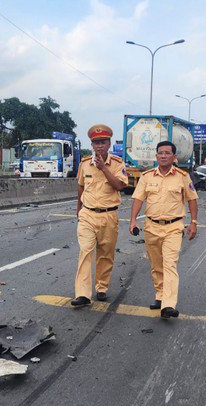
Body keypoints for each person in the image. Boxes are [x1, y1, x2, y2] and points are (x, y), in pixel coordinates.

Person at [129, 141, 198, 319]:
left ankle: (168, 304)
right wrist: (133, 221)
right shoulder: (147, 176)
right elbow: (138, 199)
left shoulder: (183, 176)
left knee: (170, 264)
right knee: (156, 265)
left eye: (167, 153)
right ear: (156, 156)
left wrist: (193, 222)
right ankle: (160, 296)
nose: (164, 156)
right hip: (151, 226)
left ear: (174, 157)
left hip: (174, 227)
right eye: (160, 153)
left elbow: (192, 199)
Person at [71, 124, 128, 307]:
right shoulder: (85, 163)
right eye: (96, 143)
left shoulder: (118, 164)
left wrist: (104, 168)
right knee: (85, 252)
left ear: (109, 143)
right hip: (88, 214)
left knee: (105, 254)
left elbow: (120, 186)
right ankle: (83, 294)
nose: (99, 146)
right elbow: (81, 187)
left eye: (103, 142)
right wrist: (79, 210)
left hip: (109, 215)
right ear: (92, 145)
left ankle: (101, 287)